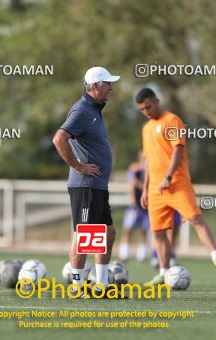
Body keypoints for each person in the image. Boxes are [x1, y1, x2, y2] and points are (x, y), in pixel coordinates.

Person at [135, 88, 216, 284]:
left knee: (195, 218)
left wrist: (168, 177)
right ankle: (163, 272)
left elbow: (178, 150)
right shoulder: (146, 129)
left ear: (157, 101)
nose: (147, 112)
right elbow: (149, 161)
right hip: (155, 190)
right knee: (159, 232)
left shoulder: (172, 121)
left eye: (149, 107)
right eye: (142, 109)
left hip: (176, 183)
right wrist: (145, 188)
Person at [53, 66, 120, 296]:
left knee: (107, 233)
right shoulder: (82, 109)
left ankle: (101, 285)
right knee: (84, 235)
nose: (111, 87)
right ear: (95, 86)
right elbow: (59, 138)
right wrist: (79, 166)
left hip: (98, 186)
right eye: (107, 83)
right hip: (85, 186)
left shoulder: (95, 110)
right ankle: (78, 288)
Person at [118, 150, 149, 263]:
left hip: (147, 206)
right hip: (135, 205)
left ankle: (141, 256)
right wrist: (133, 201)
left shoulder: (152, 169)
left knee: (144, 231)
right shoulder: (135, 168)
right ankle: (124, 255)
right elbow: (132, 183)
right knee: (128, 230)